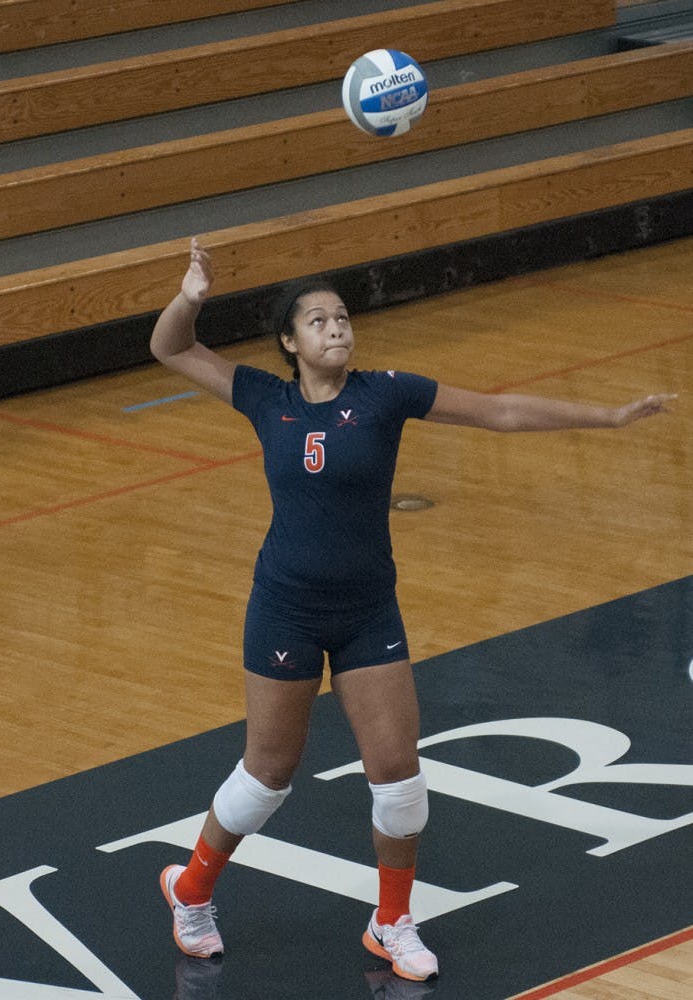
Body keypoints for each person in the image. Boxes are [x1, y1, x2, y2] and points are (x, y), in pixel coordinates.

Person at [150, 237, 674, 983]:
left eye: (343, 317)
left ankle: (391, 921)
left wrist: (609, 418)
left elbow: (500, 412)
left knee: (398, 776)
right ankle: (191, 889)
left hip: (367, 612)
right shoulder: (265, 398)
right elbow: (169, 346)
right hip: (286, 612)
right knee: (268, 774)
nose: (338, 328)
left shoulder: (385, 394)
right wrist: (192, 294)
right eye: (319, 321)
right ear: (289, 343)